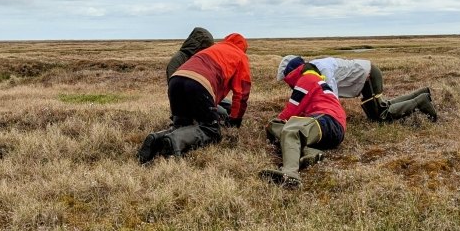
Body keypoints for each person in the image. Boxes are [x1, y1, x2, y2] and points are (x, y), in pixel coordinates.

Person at [137, 33, 251, 163]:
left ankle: (156, 138)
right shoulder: (241, 56)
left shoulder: (214, 48)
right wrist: (236, 119)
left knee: (182, 125)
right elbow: (242, 93)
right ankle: (175, 140)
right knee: (211, 130)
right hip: (199, 83)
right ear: (243, 48)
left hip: (176, 80)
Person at [260, 57, 347, 188]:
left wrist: (273, 124)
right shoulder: (314, 79)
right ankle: (311, 152)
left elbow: (291, 111)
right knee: (283, 126)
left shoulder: (306, 79)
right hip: (329, 125)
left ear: (291, 73)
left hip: (328, 120)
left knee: (291, 130)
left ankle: (290, 174)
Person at [276, 55, 437, 122]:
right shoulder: (314, 68)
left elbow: (331, 96)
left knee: (380, 115)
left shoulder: (322, 69)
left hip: (368, 76)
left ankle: (421, 101)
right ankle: (421, 93)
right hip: (365, 76)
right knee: (383, 106)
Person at [164, 27, 230, 122]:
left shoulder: (199, 58)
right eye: (206, 48)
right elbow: (175, 92)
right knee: (223, 113)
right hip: (192, 98)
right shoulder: (177, 61)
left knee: (229, 105)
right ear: (199, 45)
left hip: (205, 93)